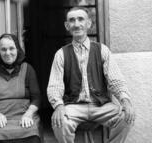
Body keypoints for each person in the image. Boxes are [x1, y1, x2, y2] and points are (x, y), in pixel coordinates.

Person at [47, 7, 136, 143]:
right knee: (59, 122)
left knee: (126, 117)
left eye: (81, 19)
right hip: (73, 106)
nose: (76, 24)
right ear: (67, 26)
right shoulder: (61, 54)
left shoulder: (102, 50)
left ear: (88, 24)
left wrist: (125, 101)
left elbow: (116, 81)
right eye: (72, 20)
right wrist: (59, 106)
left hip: (101, 106)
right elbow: (54, 86)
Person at [0, 34, 42, 143]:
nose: (8, 53)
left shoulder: (28, 69)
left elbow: (37, 97)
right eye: (3, 49)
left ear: (17, 49)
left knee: (32, 135)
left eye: (11, 48)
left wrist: (29, 114)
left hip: (24, 115)